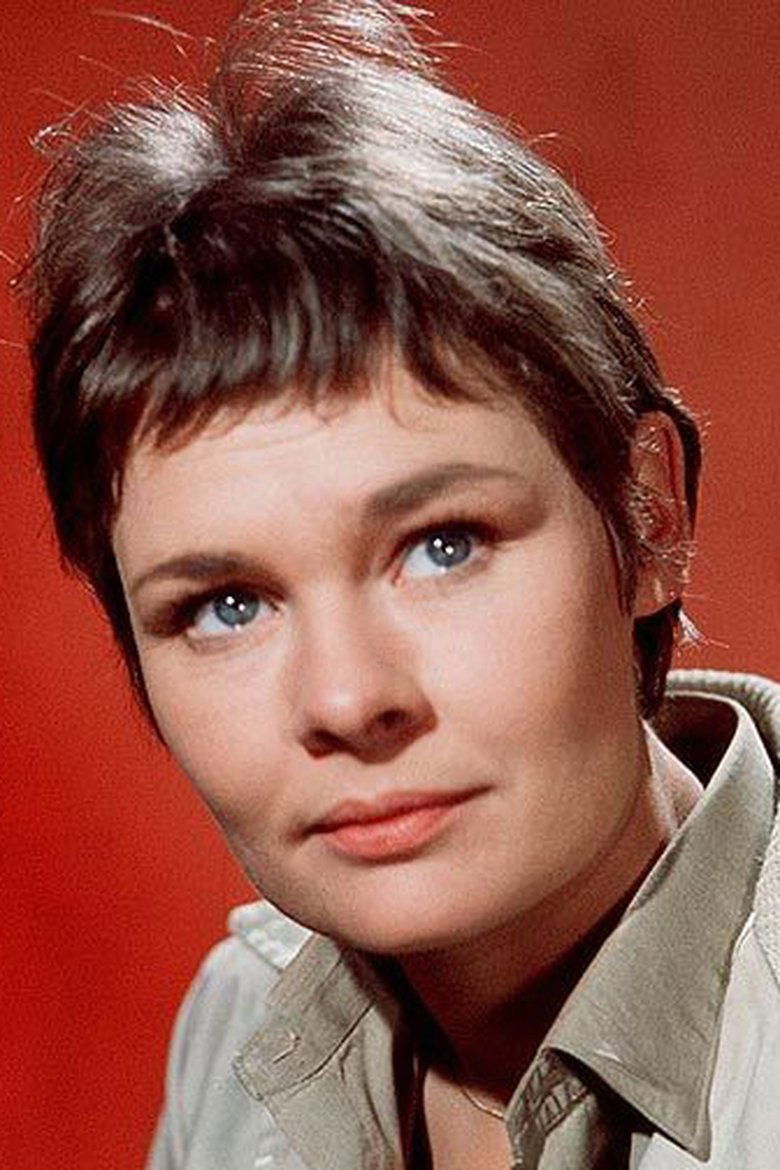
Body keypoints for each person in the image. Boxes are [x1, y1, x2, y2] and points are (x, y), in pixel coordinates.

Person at [23, 1, 780, 1167]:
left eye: (443, 545)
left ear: (647, 518)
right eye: (227, 606)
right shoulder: (238, 1024)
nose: (347, 698)